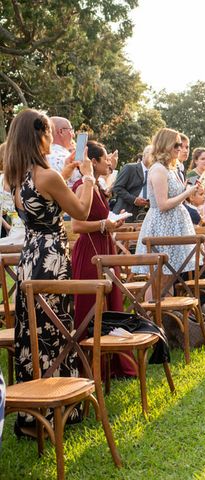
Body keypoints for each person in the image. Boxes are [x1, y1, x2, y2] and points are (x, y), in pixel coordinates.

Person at [4, 109, 95, 435]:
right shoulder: (48, 177)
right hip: (52, 258)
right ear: (40, 135)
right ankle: (57, 407)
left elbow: (44, 203)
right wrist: (88, 177)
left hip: (30, 257)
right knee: (56, 329)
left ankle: (31, 412)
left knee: (34, 330)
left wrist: (67, 171)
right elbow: (80, 211)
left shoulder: (16, 176)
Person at [70, 141, 136, 378]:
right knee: (91, 304)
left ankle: (112, 361)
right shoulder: (81, 186)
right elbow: (76, 225)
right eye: (105, 158)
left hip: (103, 244)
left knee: (110, 301)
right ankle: (90, 363)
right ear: (93, 162)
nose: (109, 162)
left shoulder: (97, 185)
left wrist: (111, 223)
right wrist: (102, 224)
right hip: (90, 251)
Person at [133, 129, 199, 282]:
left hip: (173, 225)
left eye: (181, 145)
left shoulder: (171, 168)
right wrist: (187, 193)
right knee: (159, 276)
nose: (180, 148)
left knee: (169, 276)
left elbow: (175, 194)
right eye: (176, 145)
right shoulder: (158, 169)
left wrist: (189, 187)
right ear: (165, 144)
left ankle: (166, 306)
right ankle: (151, 306)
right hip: (162, 225)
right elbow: (162, 204)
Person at [111, 145, 152, 221]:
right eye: (152, 154)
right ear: (144, 154)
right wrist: (134, 200)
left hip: (143, 215)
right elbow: (117, 188)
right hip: (124, 212)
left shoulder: (155, 172)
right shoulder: (129, 168)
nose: (154, 157)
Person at [47, 116, 82, 187]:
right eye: (71, 130)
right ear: (61, 131)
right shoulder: (68, 159)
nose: (73, 135)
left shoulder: (40, 157)